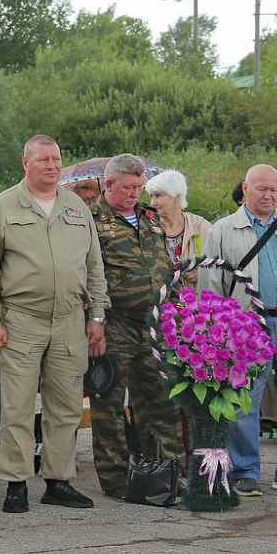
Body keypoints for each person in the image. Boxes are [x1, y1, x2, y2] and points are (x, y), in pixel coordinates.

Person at [0, 134, 108, 514]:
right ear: (25, 163)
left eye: (56, 159)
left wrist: (97, 314)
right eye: (43, 159)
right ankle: (16, 484)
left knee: (65, 407)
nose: (52, 166)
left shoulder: (76, 207)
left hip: (70, 320)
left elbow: (93, 264)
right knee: (16, 407)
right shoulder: (2, 206)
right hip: (21, 321)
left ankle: (58, 482)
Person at [199, 164, 277, 496]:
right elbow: (210, 291)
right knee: (245, 402)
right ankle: (245, 472)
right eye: (261, 189)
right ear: (245, 188)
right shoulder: (222, 231)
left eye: (273, 189)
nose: (268, 195)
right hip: (247, 331)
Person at [89, 155, 184, 499]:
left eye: (139, 187)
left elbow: (165, 266)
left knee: (162, 401)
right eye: (129, 187)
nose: (135, 193)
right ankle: (115, 478)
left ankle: (168, 472)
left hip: (154, 324)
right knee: (109, 404)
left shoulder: (149, 217)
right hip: (114, 324)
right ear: (109, 184)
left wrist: (174, 310)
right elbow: (87, 275)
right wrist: (94, 321)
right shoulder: (91, 221)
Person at [146, 170, 213, 283]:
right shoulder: (146, 229)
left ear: (176, 197)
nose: (153, 203)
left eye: (158, 196)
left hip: (193, 293)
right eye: (151, 196)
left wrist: (204, 274)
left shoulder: (201, 227)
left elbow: (223, 265)